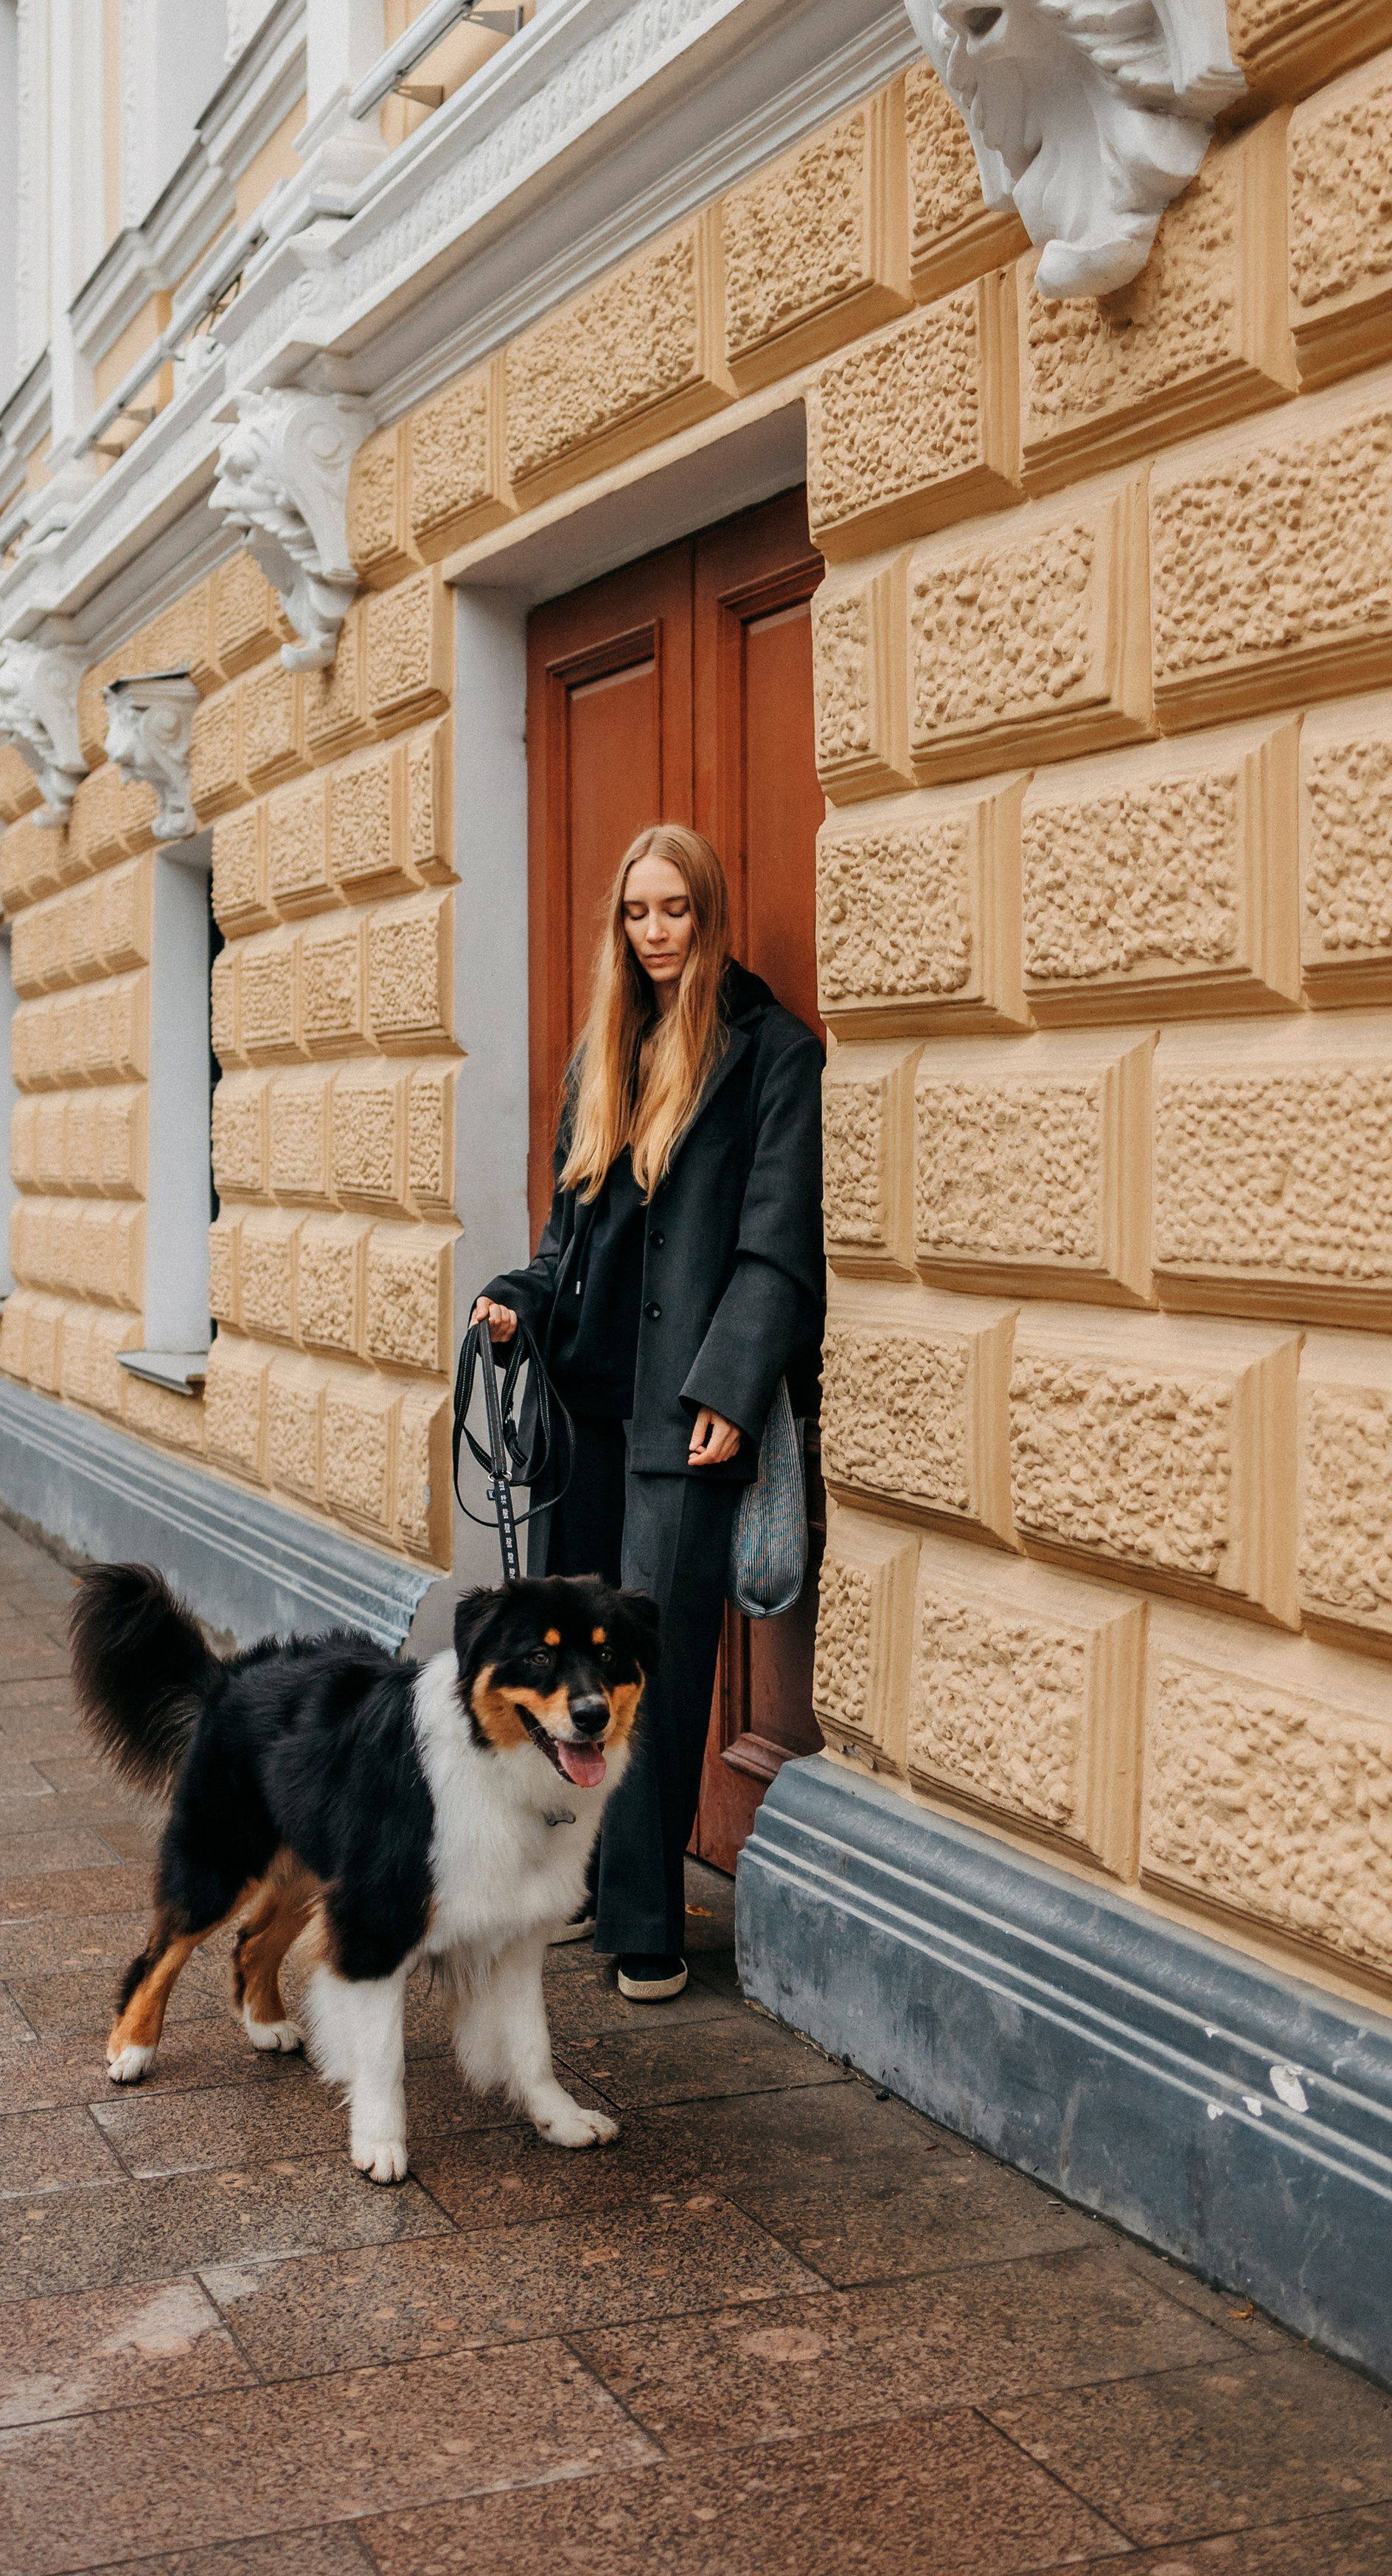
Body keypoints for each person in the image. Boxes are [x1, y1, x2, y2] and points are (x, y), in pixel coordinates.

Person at [470, 823, 824, 2001]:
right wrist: (515, 1303)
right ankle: (576, 1885)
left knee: (651, 1669)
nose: (657, 931)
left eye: (676, 909)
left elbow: (778, 1239)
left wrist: (731, 1379)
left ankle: (647, 1921)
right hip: (584, 1408)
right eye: (638, 912)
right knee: (570, 1664)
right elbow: (569, 1238)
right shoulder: (601, 1055)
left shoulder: (770, 1054)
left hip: (688, 1407)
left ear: (708, 915)